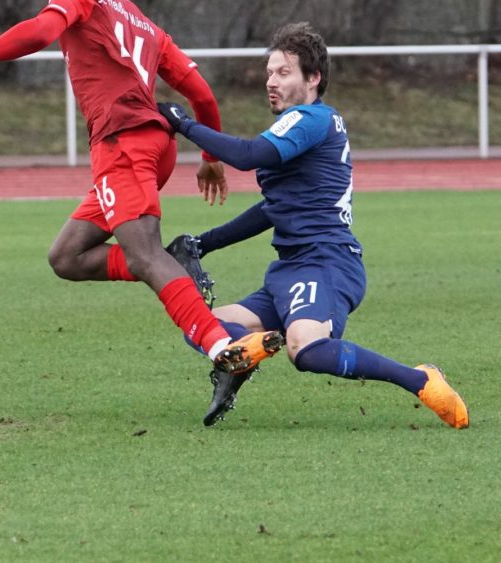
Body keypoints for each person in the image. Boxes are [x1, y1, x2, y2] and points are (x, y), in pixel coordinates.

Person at [0, 0, 278, 385]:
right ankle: (175, 263)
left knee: (144, 255)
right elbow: (201, 94)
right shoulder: (145, 24)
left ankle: (222, 346)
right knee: (66, 257)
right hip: (154, 145)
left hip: (122, 142)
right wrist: (208, 156)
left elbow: (42, 31)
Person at [157, 22, 469, 429]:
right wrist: (204, 243)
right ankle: (245, 354)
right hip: (290, 268)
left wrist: (184, 124)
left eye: (283, 72)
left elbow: (249, 155)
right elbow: (275, 208)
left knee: (307, 351)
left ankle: (421, 380)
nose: (271, 81)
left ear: (313, 78)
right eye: (269, 72)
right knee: (200, 328)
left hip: (327, 262)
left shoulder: (311, 119)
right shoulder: (302, 125)